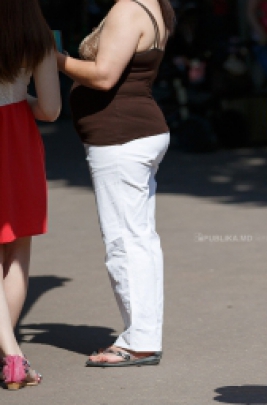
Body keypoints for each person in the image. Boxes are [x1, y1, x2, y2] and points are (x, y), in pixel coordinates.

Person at [56, 0, 175, 367]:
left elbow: (105, 76)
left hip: (121, 137)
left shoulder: (129, 8)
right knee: (138, 238)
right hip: (134, 134)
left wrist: (53, 57)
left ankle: (139, 342)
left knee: (125, 241)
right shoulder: (158, 6)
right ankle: (143, 334)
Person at [0, 0, 61, 389]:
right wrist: (21, 99)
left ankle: (12, 354)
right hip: (17, 138)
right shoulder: (37, 35)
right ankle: (12, 358)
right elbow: (52, 110)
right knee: (18, 251)